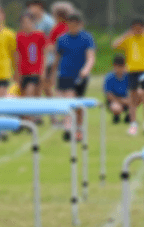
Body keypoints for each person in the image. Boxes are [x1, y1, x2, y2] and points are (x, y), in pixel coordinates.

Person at [54, 13, 94, 142]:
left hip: (79, 76)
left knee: (78, 103)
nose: (73, 27)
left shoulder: (87, 38)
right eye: (71, 24)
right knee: (68, 100)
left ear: (80, 24)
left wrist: (86, 69)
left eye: (76, 24)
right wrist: (52, 73)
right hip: (64, 74)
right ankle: (68, 128)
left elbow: (91, 57)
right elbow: (57, 58)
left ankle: (78, 128)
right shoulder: (62, 39)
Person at [43, 1, 74, 126]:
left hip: (58, 64)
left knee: (58, 92)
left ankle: (58, 118)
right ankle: (67, 118)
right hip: (70, 64)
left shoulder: (58, 28)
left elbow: (49, 46)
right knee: (69, 93)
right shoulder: (71, 27)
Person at [16, 12, 47, 99]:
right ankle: (31, 113)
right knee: (23, 96)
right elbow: (18, 55)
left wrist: (42, 70)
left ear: (33, 23)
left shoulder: (39, 35)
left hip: (35, 72)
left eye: (28, 22)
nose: (26, 25)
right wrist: (17, 73)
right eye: (23, 23)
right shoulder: (19, 37)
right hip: (23, 72)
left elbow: (44, 53)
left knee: (31, 94)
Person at [104, 55, 130, 125]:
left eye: (121, 67)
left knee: (139, 94)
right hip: (114, 100)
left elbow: (134, 90)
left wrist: (129, 100)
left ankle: (130, 115)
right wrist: (122, 101)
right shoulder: (109, 77)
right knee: (116, 107)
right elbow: (108, 95)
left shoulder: (128, 76)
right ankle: (116, 115)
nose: (119, 69)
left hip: (127, 99)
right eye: (118, 67)